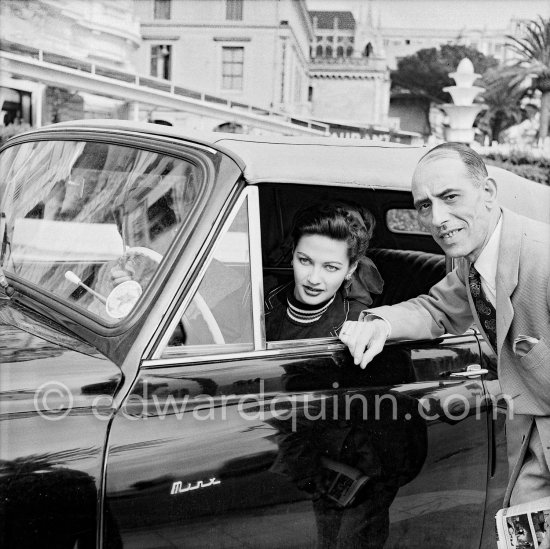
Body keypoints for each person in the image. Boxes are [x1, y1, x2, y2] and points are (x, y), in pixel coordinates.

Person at [338, 142, 550, 507]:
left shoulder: (542, 256)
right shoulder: (476, 260)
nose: (437, 218)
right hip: (531, 442)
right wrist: (378, 324)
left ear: (487, 192)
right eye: (424, 205)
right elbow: (436, 308)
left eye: (450, 197)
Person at [265, 202, 383, 341]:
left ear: (350, 269)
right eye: (305, 260)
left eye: (331, 267)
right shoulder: (259, 294)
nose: (313, 279)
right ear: (293, 254)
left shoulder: (357, 324)